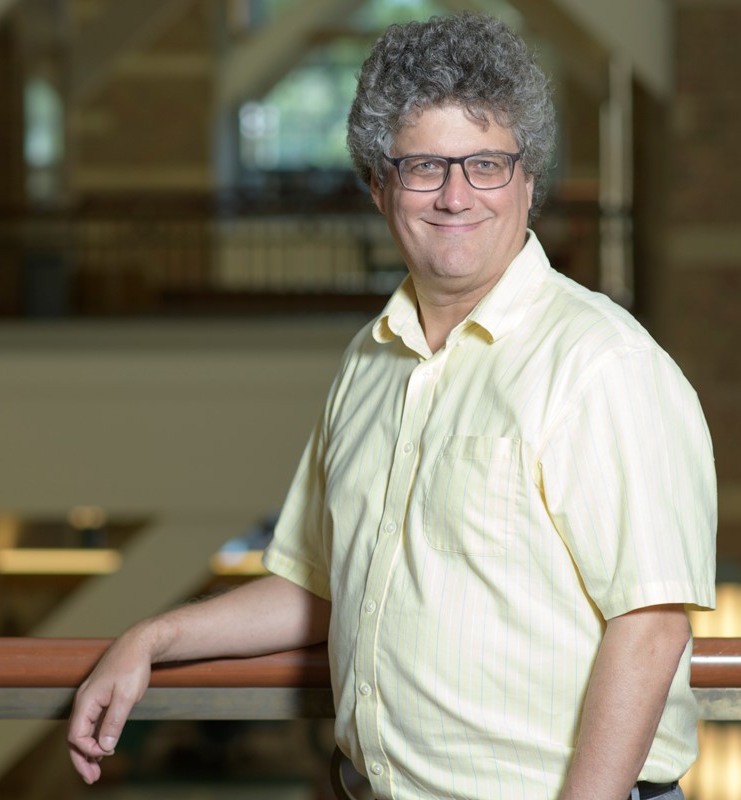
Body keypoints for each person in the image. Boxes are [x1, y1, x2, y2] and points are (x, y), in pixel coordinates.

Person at [67, 13, 716, 800]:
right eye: (422, 167)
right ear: (380, 186)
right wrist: (154, 636)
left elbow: (649, 628)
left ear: (527, 181)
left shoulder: (602, 365)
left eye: (485, 163)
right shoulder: (368, 362)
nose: (454, 196)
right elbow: (320, 582)